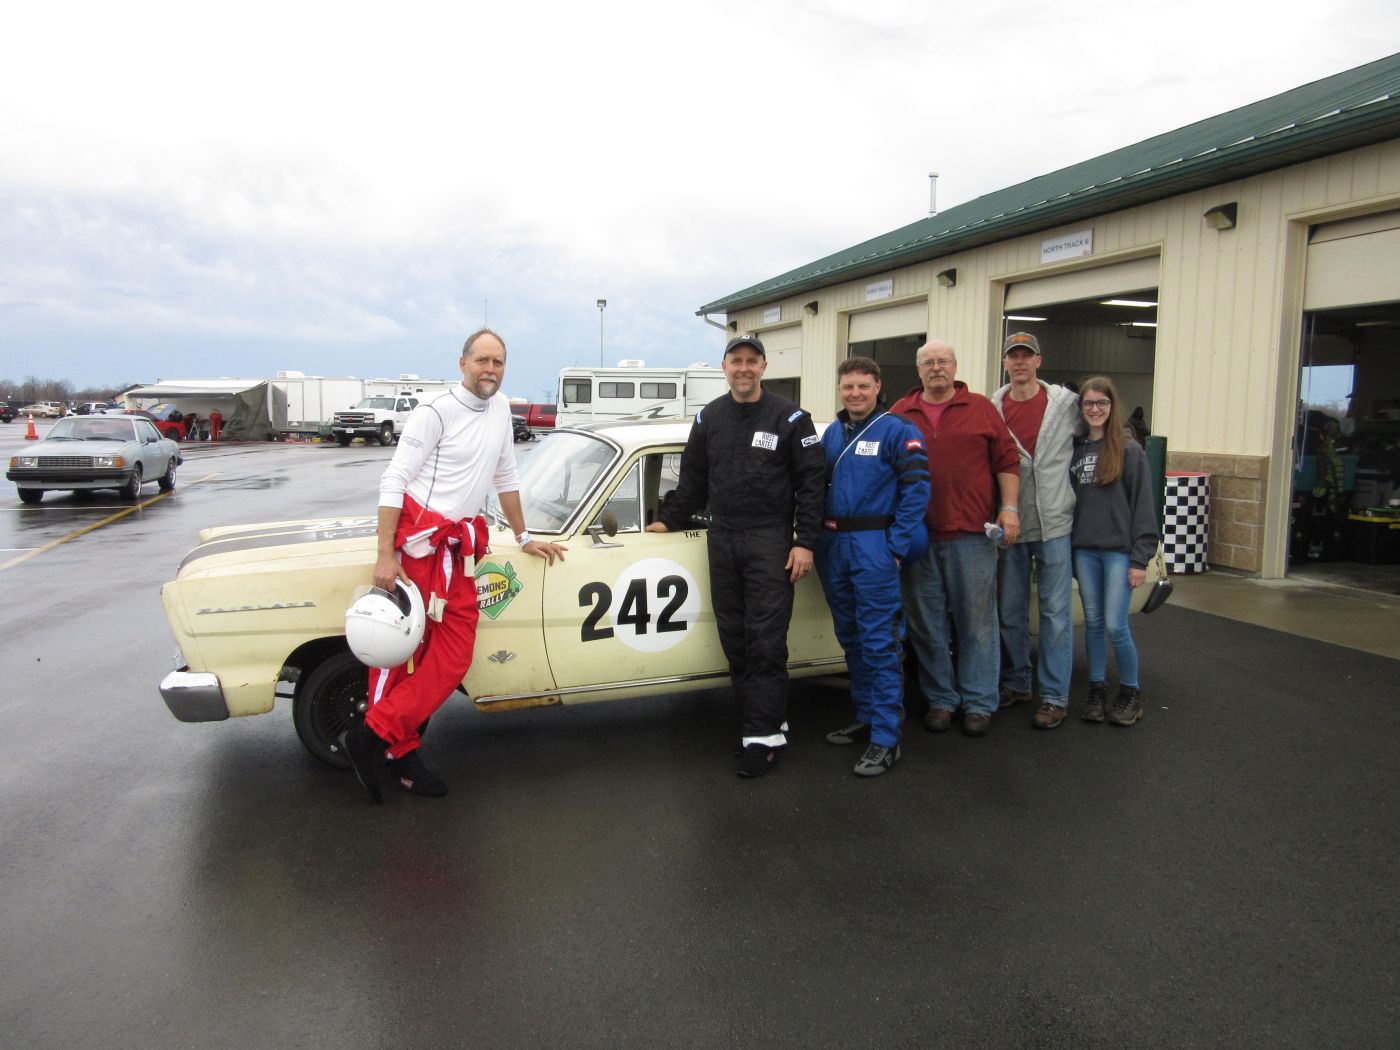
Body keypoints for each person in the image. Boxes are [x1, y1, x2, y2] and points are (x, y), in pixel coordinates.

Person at [340, 328, 566, 803]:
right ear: (461, 363)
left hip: (459, 550)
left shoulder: (503, 409)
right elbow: (394, 478)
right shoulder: (434, 412)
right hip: (419, 549)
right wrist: (385, 554)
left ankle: (371, 735)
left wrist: (524, 537)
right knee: (400, 658)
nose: (490, 369)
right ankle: (400, 756)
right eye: (482, 360)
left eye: (498, 362)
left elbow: (505, 475)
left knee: (454, 656)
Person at [646, 334, 826, 777]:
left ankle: (759, 739)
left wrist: (805, 541)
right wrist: (668, 520)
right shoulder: (710, 417)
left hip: (770, 540)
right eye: (735, 361)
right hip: (722, 536)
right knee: (736, 639)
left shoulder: (790, 417)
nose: (743, 369)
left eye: (751, 361)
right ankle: (766, 721)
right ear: (724, 367)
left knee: (765, 639)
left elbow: (813, 482)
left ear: (764, 366)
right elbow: (692, 481)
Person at [891, 340, 1020, 736]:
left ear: (955, 366)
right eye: (928, 362)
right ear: (918, 370)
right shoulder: (900, 413)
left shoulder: (981, 408)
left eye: (943, 361)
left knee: (976, 624)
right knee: (927, 626)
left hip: (971, 535)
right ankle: (942, 699)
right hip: (918, 538)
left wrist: (1010, 508)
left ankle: (979, 702)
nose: (936, 368)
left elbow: (1007, 460)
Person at [816, 357, 930, 777]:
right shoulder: (832, 433)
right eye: (848, 387)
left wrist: (895, 548)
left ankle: (886, 737)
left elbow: (917, 491)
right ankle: (865, 713)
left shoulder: (899, 432)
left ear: (878, 387)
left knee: (880, 642)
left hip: (874, 546)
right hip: (834, 545)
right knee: (851, 637)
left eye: (863, 386)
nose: (855, 394)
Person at [990, 332, 1080, 730]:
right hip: (1012, 525)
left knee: (1055, 614)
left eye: (1027, 356)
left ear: (1039, 361)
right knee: (1009, 611)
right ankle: (1017, 682)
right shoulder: (993, 407)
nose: (1020, 362)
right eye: (1014, 356)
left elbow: (1100, 435)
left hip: (1056, 523)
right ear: (1006, 363)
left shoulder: (1066, 405)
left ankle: (1055, 697)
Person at [1069, 377, 1159, 726]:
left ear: (1112, 407)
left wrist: (1141, 559)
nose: (1094, 409)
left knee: (1115, 625)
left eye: (1101, 404)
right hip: (1085, 552)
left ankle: (1131, 691)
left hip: (1119, 553)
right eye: (1088, 404)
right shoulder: (1076, 450)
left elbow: (1144, 508)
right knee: (1092, 623)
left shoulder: (1129, 450)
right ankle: (1096, 688)